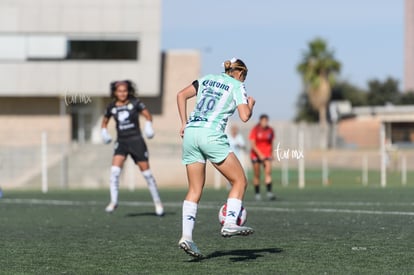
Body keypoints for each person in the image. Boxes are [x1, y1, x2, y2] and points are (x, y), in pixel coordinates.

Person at [177, 58, 255, 258]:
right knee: (239, 181)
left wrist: (184, 123)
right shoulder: (237, 85)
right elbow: (245, 116)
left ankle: (186, 237)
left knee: (194, 189)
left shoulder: (207, 79)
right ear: (240, 73)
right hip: (210, 135)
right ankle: (230, 223)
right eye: (244, 76)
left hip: (192, 133)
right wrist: (251, 104)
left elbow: (181, 95)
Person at [101, 80, 164, 216]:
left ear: (128, 91)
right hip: (122, 142)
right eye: (119, 91)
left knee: (147, 174)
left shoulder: (135, 103)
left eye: (124, 91)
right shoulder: (111, 107)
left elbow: (148, 115)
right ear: (115, 92)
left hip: (136, 141)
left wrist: (148, 126)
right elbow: (105, 121)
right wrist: (104, 132)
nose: (122, 93)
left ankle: (158, 202)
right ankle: (114, 201)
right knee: (115, 171)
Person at [249, 114, 276, 201]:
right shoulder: (255, 129)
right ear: (260, 121)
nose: (265, 122)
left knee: (268, 172)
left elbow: (271, 143)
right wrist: (260, 154)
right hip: (256, 154)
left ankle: (269, 192)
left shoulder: (270, 130)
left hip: (267, 154)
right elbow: (253, 144)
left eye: (266, 121)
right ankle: (257, 193)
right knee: (257, 175)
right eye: (263, 121)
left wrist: (271, 153)